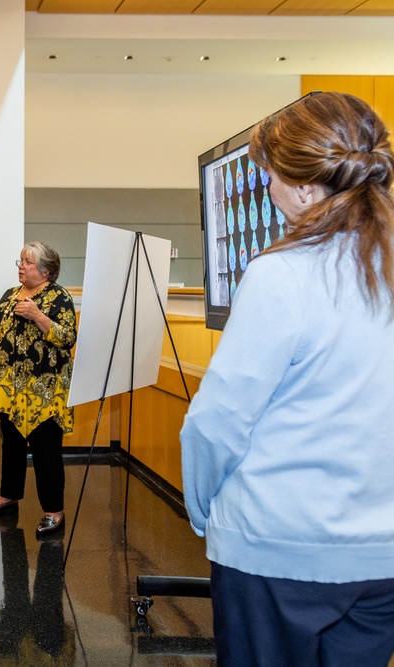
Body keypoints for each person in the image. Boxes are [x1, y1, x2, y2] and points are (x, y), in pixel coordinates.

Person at [181, 92, 394, 666]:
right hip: (382, 557)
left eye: (268, 175)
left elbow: (217, 421)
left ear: (303, 187)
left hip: (277, 554)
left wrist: (203, 512)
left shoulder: (282, 274)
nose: (267, 189)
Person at [0, 242, 76, 537]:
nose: (21, 266)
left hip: (43, 390)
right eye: (20, 261)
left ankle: (53, 511)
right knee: (12, 445)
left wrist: (38, 316)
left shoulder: (59, 297)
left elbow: (67, 337)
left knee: (46, 451)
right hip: (9, 388)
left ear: (46, 270)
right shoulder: (10, 295)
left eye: (28, 262)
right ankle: (8, 496)